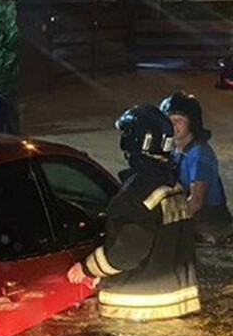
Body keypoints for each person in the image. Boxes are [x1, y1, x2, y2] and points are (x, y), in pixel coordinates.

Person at [67, 105, 200, 321]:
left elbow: (127, 252)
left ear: (133, 140)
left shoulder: (135, 195)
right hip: (178, 309)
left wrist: (87, 268)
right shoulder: (173, 187)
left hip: (139, 314)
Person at [161, 91, 233, 242]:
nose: (173, 125)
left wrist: (162, 225)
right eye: (170, 120)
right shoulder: (173, 149)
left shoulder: (200, 154)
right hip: (195, 221)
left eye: (179, 120)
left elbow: (196, 202)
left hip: (212, 226)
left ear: (192, 123)